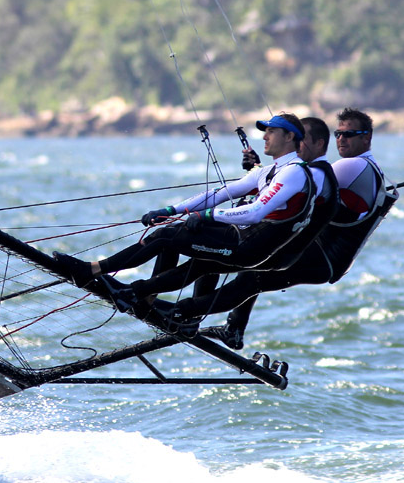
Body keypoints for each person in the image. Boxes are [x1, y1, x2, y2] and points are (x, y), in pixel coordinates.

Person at [53, 112, 323, 326]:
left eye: (272, 131)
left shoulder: (294, 173)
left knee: (168, 237)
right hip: (243, 240)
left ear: (290, 137)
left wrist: (205, 217)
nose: (265, 136)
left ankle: (98, 273)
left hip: (249, 249)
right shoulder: (269, 171)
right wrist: (171, 210)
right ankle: (141, 295)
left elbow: (255, 212)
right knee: (191, 260)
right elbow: (218, 194)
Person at [173, 107, 396, 348]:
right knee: (250, 268)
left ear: (367, 138)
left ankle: (186, 314)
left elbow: (296, 181)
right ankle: (228, 327)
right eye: (338, 133)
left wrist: (260, 172)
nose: (341, 139)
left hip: (324, 254)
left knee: (251, 270)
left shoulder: (352, 166)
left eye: (349, 134)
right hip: (329, 257)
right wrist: (259, 171)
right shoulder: (366, 168)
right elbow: (289, 184)